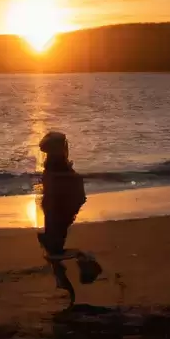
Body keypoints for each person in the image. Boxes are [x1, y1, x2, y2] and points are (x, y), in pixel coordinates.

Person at [37, 130, 101, 304]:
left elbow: (72, 194)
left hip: (57, 212)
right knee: (51, 247)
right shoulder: (54, 169)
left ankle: (84, 261)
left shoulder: (56, 171)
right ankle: (67, 283)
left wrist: (65, 211)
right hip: (57, 210)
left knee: (53, 249)